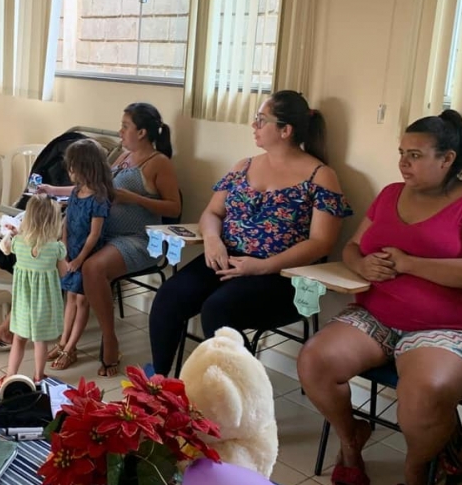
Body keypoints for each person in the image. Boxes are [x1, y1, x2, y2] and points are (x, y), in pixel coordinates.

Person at [296, 110, 462, 485]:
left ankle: (416, 472)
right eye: (401, 153)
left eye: (414, 155)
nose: (403, 163)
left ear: (447, 159)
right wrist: (361, 266)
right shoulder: (391, 193)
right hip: (377, 316)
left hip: (449, 328)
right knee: (314, 360)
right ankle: (351, 440)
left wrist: (410, 264)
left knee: (421, 392)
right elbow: (352, 248)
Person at [148, 90, 352, 376]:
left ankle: (236, 394)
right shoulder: (244, 165)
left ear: (285, 130)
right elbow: (212, 213)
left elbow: (321, 243)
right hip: (227, 258)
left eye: (260, 120)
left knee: (218, 311)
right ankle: (157, 383)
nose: (254, 126)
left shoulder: (320, 176)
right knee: (170, 296)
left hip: (281, 275)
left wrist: (262, 266)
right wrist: (212, 239)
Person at [0, 103, 181, 377]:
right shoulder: (122, 158)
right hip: (104, 234)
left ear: (142, 132)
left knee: (91, 267)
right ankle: (18, 327)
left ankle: (109, 341)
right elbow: (89, 186)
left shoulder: (159, 163)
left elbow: (174, 208)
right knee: (51, 255)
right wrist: (53, 189)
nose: (120, 131)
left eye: (125, 126)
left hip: (138, 239)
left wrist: (133, 198)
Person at [47, 139, 114, 370]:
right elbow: (66, 223)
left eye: (73, 167)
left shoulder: (99, 199)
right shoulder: (76, 192)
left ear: (85, 167)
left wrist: (79, 259)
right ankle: (64, 342)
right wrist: (64, 249)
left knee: (82, 301)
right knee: (71, 299)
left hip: (86, 255)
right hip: (72, 251)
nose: (70, 172)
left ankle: (70, 348)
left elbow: (95, 235)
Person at [0, 195, 68, 388]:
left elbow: (6, 247)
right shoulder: (56, 248)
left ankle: (10, 375)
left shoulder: (18, 244)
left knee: (18, 339)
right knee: (40, 342)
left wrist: (14, 233)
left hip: (23, 302)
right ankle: (38, 376)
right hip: (44, 304)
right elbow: (63, 273)